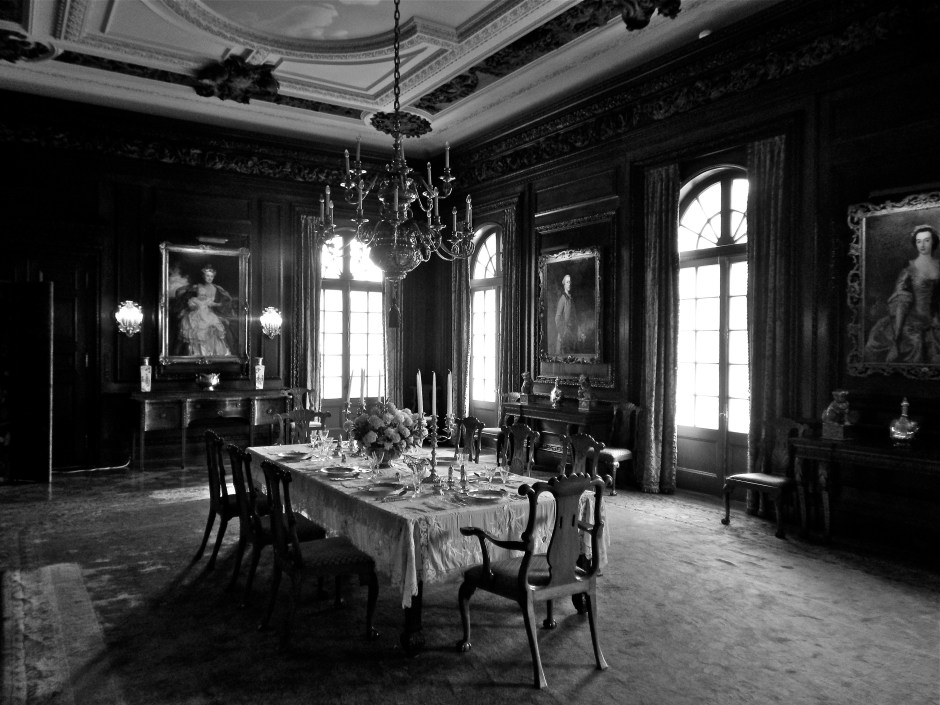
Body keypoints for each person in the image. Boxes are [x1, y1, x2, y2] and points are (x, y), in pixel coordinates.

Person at [863, 224, 940, 364]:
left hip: (935, 320)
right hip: (910, 321)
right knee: (915, 344)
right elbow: (899, 301)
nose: (922, 245)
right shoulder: (909, 270)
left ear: (933, 241)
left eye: (927, 240)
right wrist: (897, 335)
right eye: (918, 241)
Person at [173, 264, 235, 356]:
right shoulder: (197, 286)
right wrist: (190, 302)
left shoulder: (217, 288)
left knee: (216, 328)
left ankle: (211, 354)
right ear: (203, 276)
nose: (209, 278)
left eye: (211, 276)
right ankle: (195, 354)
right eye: (207, 276)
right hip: (197, 312)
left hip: (209, 313)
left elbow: (225, 300)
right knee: (192, 328)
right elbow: (180, 291)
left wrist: (220, 305)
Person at [554, 273, 578, 354]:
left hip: (571, 334)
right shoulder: (563, 299)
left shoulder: (571, 299)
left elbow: (574, 317)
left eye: (570, 282)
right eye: (567, 282)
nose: (569, 284)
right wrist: (563, 332)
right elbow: (557, 318)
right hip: (564, 335)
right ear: (564, 284)